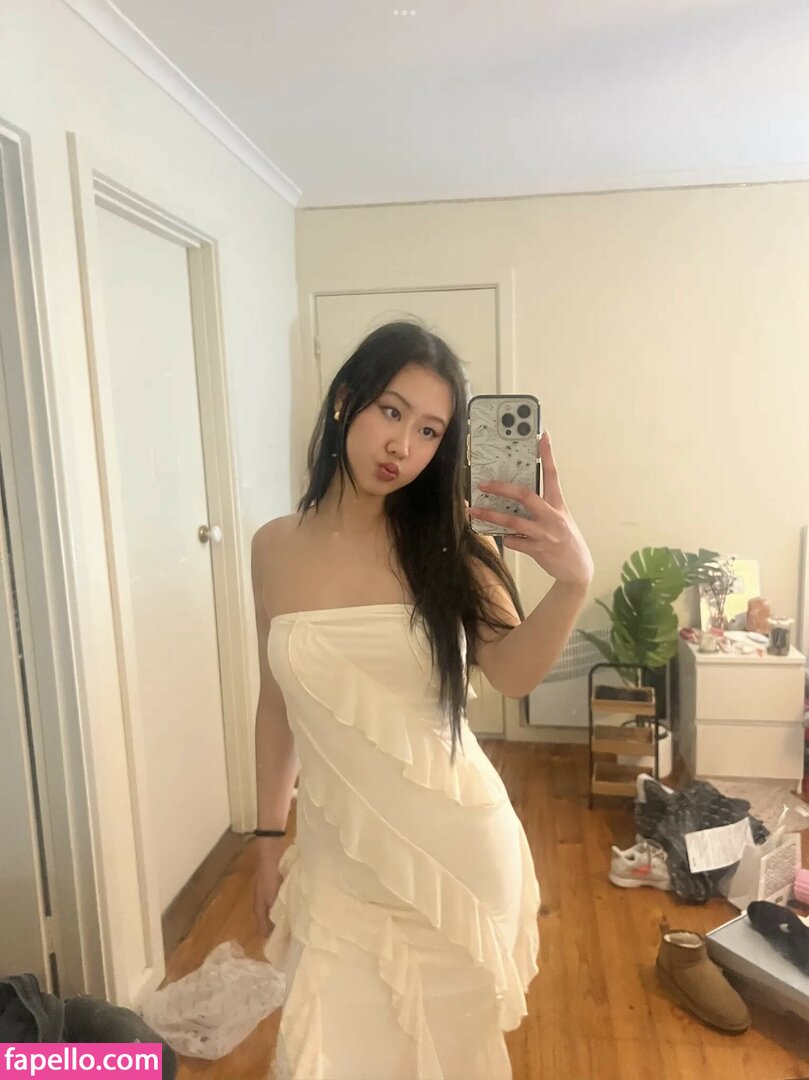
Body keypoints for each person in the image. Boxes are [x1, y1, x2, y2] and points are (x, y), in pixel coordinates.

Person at [251, 321, 593, 1080]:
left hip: (455, 866)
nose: (402, 445)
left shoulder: (452, 550)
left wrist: (573, 583)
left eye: (430, 430)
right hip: (339, 870)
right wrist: (267, 841)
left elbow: (512, 675)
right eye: (391, 411)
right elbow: (276, 707)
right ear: (345, 401)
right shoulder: (271, 546)